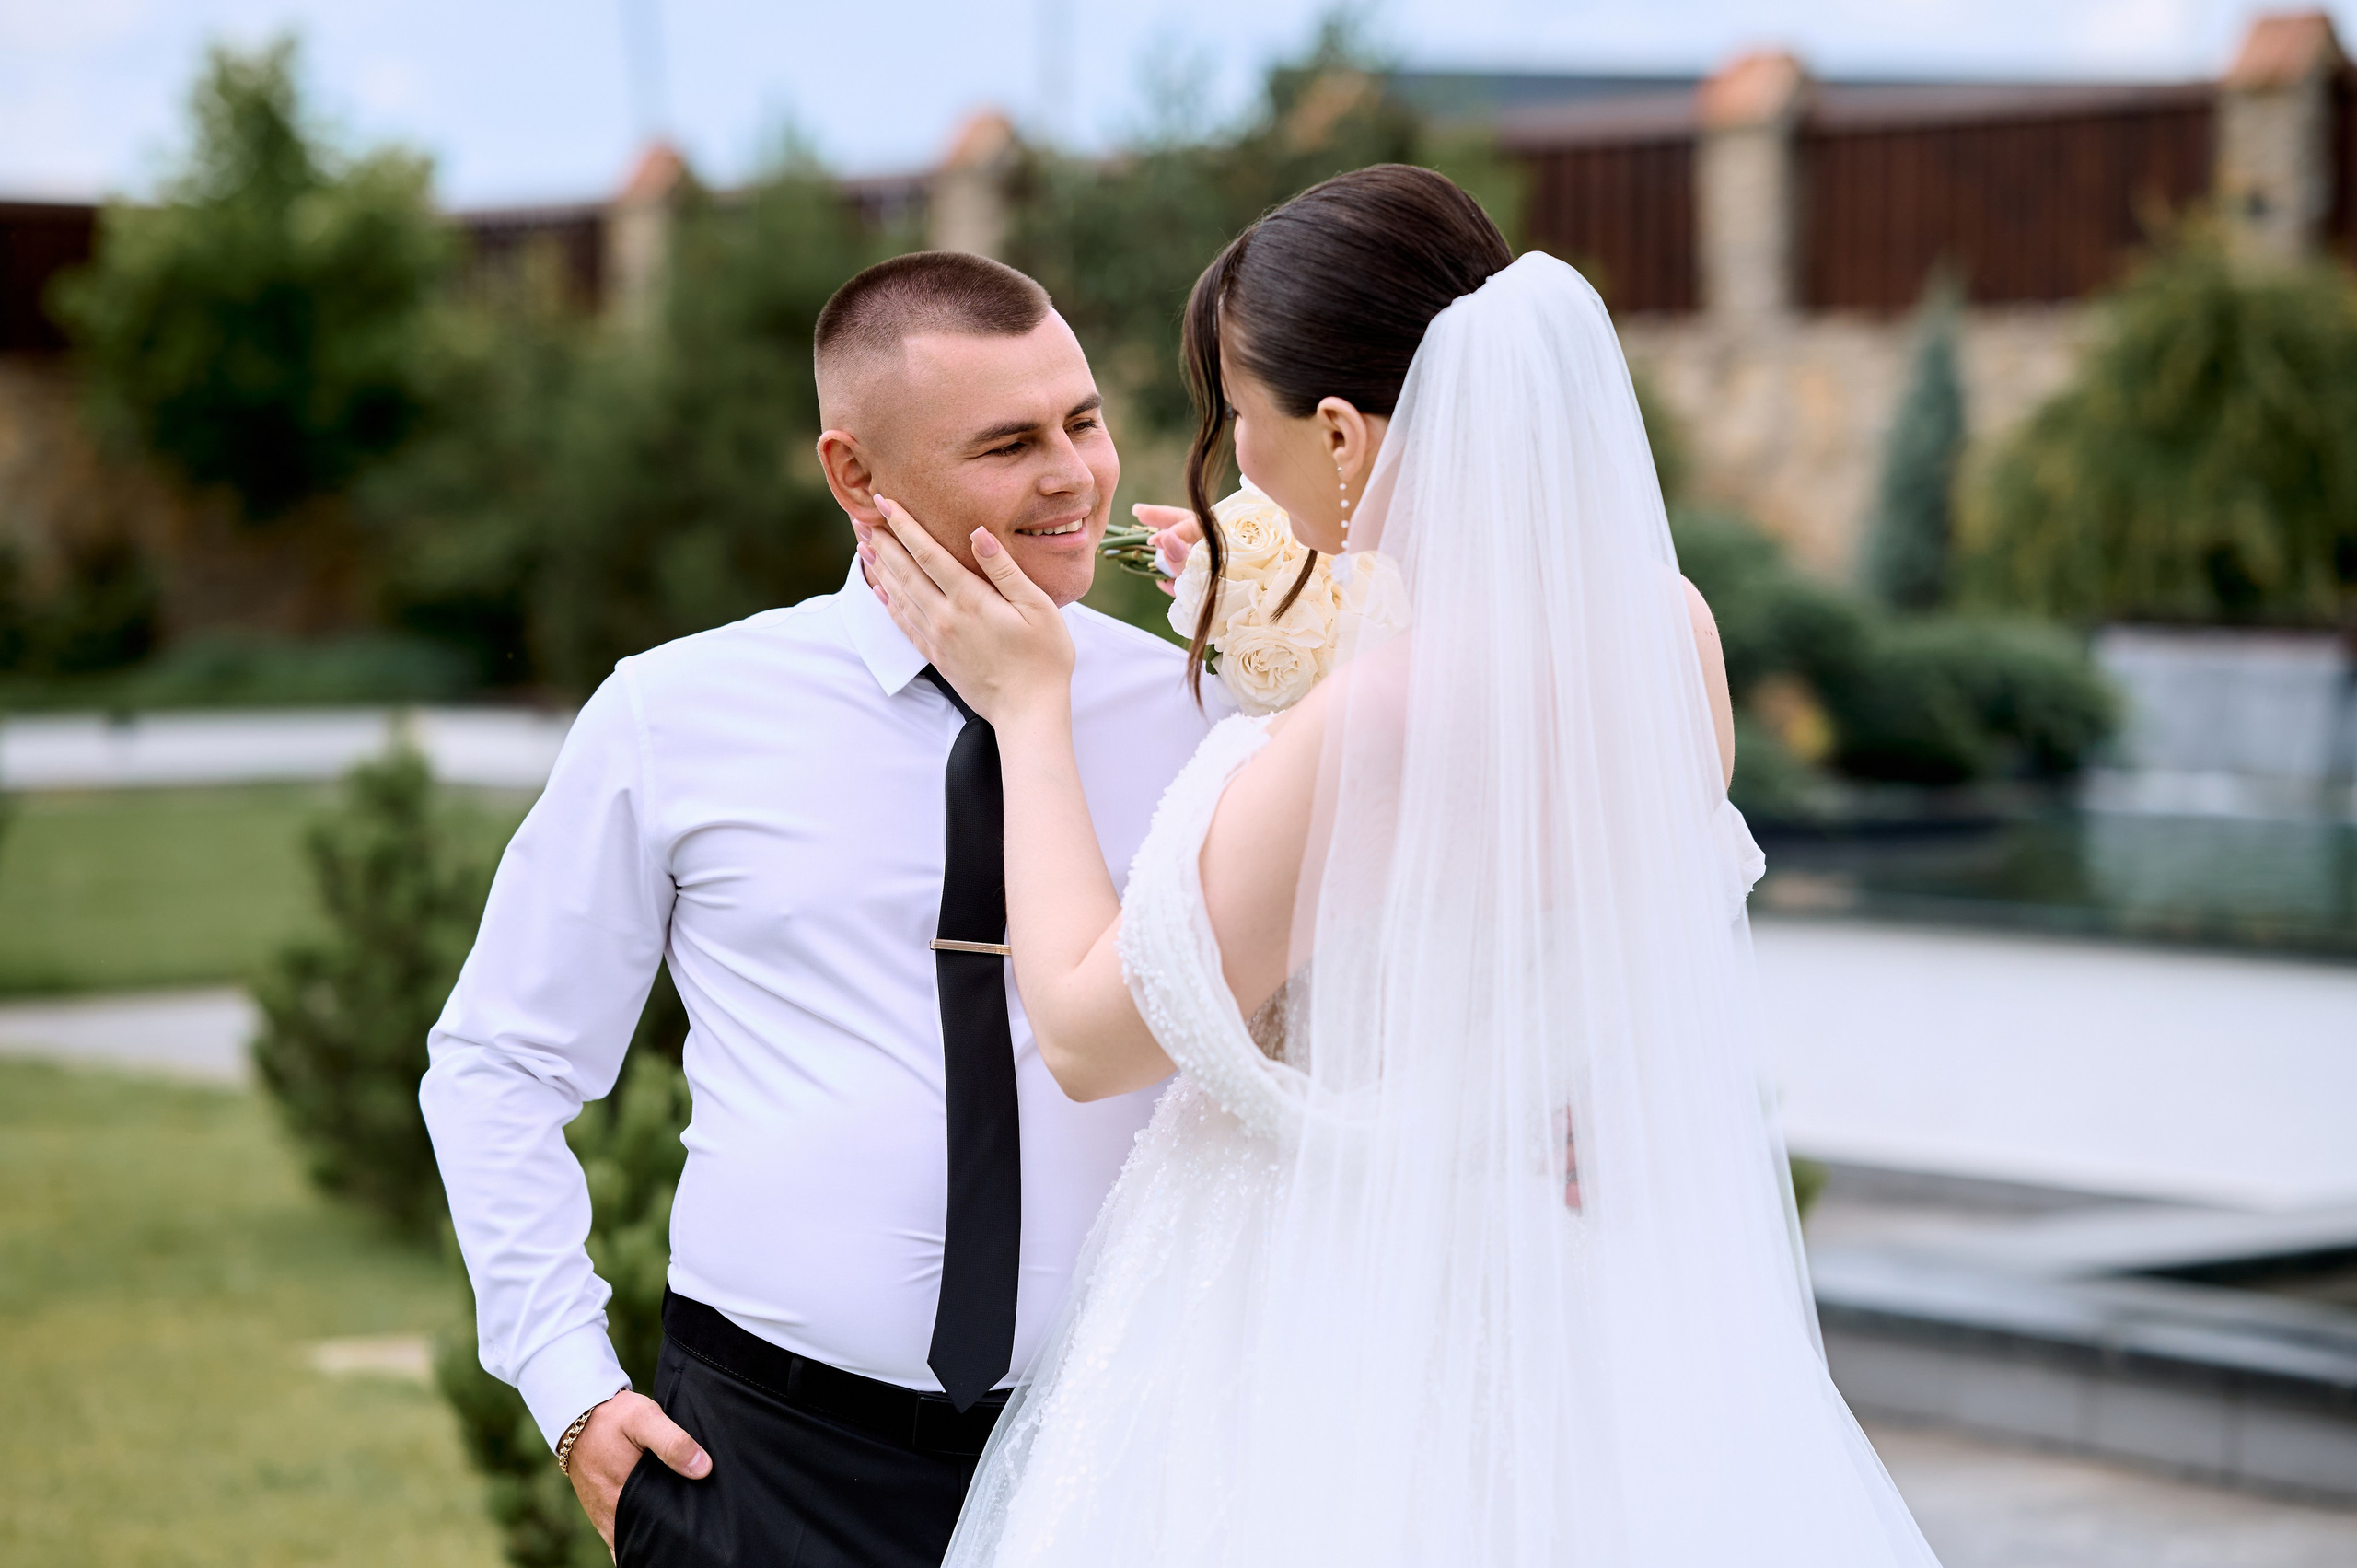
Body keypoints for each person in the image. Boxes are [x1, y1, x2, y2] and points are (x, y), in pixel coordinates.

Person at [857, 166, 1945, 1565]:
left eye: (1239, 421)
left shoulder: (1381, 718)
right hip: (1565, 1312)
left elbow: (1082, 1030)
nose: (1233, 461)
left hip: (1311, 1332)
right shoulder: (1670, 634)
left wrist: (1025, 708)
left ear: (1338, 431)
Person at [420, 250, 1225, 1568]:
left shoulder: (1203, 710)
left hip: (1122, 1456)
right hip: (765, 1467)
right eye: (1009, 441)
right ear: (856, 475)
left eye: (1083, 420)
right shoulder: (675, 715)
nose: (1076, 475)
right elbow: (499, 1060)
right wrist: (567, 1382)